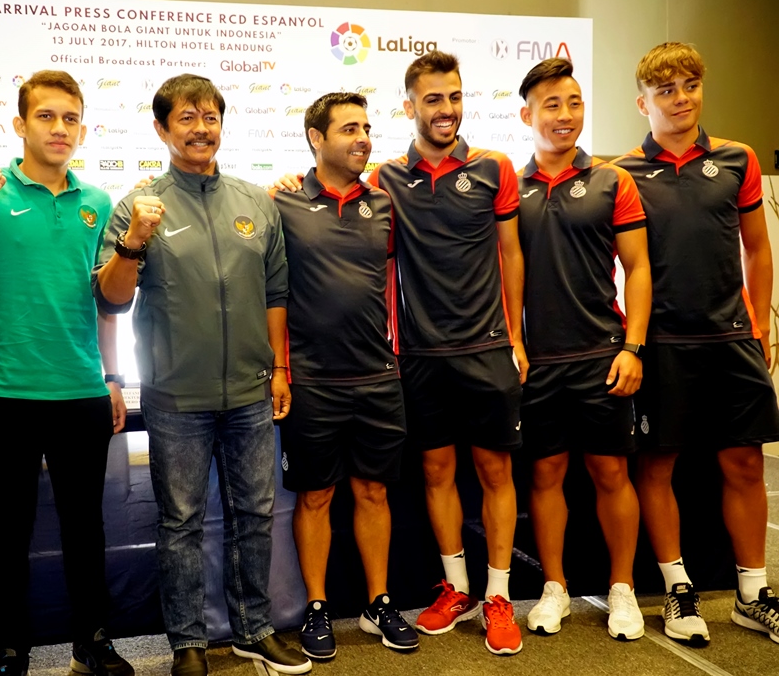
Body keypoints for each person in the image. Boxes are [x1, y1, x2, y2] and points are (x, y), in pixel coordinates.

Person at [274, 50, 526, 656]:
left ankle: (478, 598)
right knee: (389, 483)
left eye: (455, 96)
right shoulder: (361, 186)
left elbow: (511, 253)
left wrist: (517, 336)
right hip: (381, 364)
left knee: (472, 476)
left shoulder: (474, 172)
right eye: (433, 98)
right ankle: (418, 593)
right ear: (410, 105)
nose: (447, 108)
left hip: (460, 354)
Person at [0, 70, 134, 676]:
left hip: (82, 391)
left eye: (70, 119)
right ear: (20, 125)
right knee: (7, 533)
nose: (59, 129)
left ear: (83, 129)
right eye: (46, 117)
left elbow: (109, 301)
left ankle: (91, 642)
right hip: (7, 393)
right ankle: (12, 650)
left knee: (86, 528)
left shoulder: (96, 203)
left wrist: (114, 376)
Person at [93, 74, 310, 676]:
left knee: (253, 515)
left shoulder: (254, 201)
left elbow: (275, 291)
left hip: (248, 390)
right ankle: (187, 642)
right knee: (181, 522)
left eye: (210, 116)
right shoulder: (137, 206)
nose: (200, 128)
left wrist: (278, 368)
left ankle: (253, 628)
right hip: (174, 396)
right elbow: (110, 299)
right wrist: (134, 241)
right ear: (162, 129)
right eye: (186, 118)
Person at [613, 41, 779, 646]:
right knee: (659, 467)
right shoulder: (621, 172)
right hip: (660, 343)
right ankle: (677, 591)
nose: (681, 99)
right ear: (643, 102)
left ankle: (753, 594)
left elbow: (758, 248)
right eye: (666, 90)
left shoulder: (738, 158)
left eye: (690, 85)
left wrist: (760, 326)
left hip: (731, 338)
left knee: (743, 462)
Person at [272, 92, 419, 660]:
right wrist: (280, 367)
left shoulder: (383, 204)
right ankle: (316, 606)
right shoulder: (282, 203)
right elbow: (271, 293)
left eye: (366, 127)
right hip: (312, 380)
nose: (363, 137)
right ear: (316, 137)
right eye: (349, 128)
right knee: (315, 497)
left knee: (374, 491)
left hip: (378, 377)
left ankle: (378, 602)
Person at [514, 58, 650, 640]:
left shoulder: (612, 180)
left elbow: (639, 267)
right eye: (552, 105)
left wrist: (634, 347)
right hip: (538, 363)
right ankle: (556, 588)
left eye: (573, 103)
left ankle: (622, 590)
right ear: (527, 115)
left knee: (611, 473)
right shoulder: (507, 188)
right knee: (545, 477)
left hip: (602, 355)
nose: (565, 115)